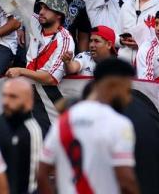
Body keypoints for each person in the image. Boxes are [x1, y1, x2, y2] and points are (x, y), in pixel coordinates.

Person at [37, 59, 140, 194]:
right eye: (127, 90)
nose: (129, 98)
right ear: (114, 86)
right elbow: (126, 181)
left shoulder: (64, 120)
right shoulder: (118, 123)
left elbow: (41, 173)